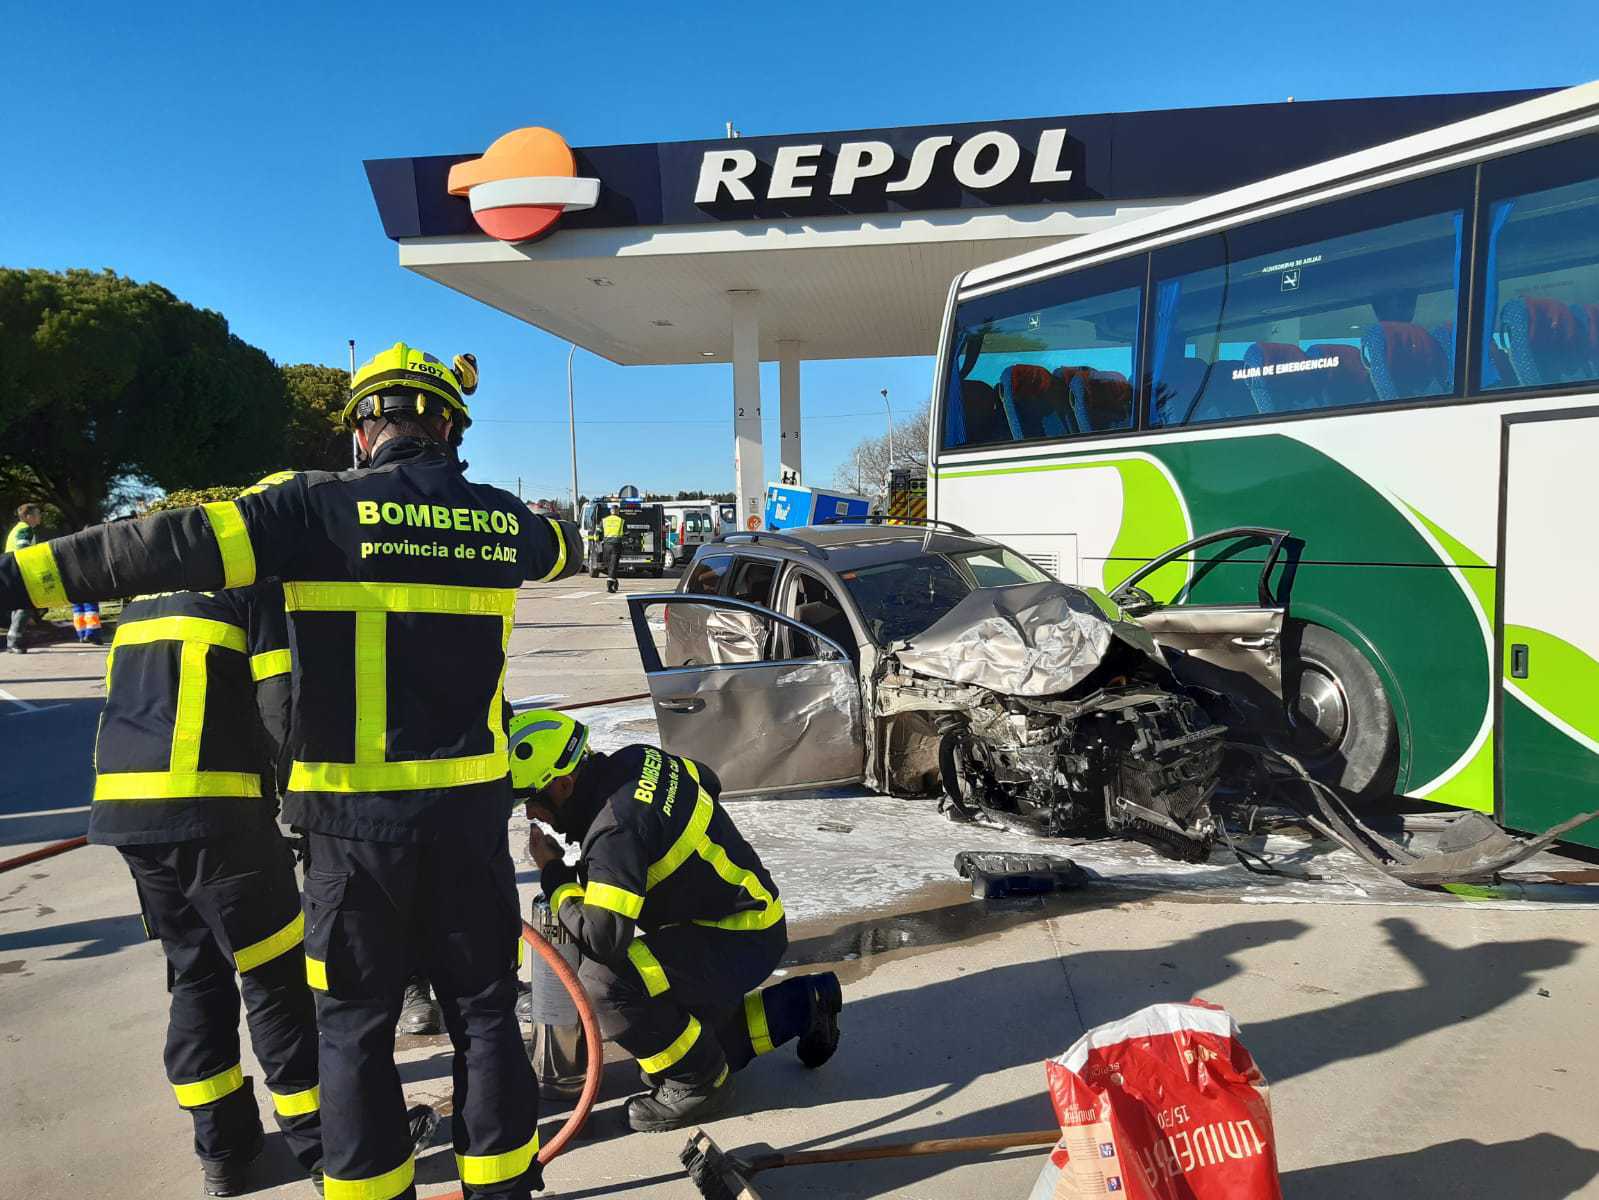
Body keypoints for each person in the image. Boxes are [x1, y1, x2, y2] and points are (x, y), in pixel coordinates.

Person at [0, 342, 583, 1200]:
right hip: (466, 825)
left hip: (352, 834)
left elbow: (158, 546)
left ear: (360, 431)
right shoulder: (502, 523)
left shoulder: (309, 509)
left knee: (353, 1026)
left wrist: (17, 574)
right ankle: (502, 1190)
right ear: (451, 429)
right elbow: (561, 548)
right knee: (486, 1015)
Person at [92, 583, 323, 1195]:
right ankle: (323, 1146)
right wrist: (298, 806)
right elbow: (282, 706)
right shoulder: (252, 593)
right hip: (217, 816)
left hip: (130, 817)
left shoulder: (142, 602)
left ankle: (224, 1154)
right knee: (274, 978)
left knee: (196, 973)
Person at [509, 709, 843, 1132]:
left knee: (606, 986)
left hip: (735, 938)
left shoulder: (614, 832)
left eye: (532, 800)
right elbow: (707, 780)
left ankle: (699, 1085)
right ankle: (805, 1004)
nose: (531, 814)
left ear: (563, 784)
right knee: (705, 1042)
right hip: (749, 921)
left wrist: (555, 874)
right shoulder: (637, 759)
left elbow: (603, 936)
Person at [5, 502, 43, 652]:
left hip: (11, 570)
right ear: (28, 516)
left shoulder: (17, 529)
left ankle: (12, 640)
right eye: (37, 514)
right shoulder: (25, 529)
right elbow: (23, 549)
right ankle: (14, 640)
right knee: (25, 605)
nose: (40, 517)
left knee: (19, 605)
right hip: (21, 571)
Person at [600, 506, 624, 594]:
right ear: (617, 512)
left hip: (606, 545)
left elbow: (598, 531)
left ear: (611, 511)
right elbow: (626, 532)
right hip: (616, 544)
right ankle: (610, 585)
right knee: (614, 565)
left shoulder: (604, 520)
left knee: (609, 565)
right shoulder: (621, 521)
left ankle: (614, 581)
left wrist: (598, 540)